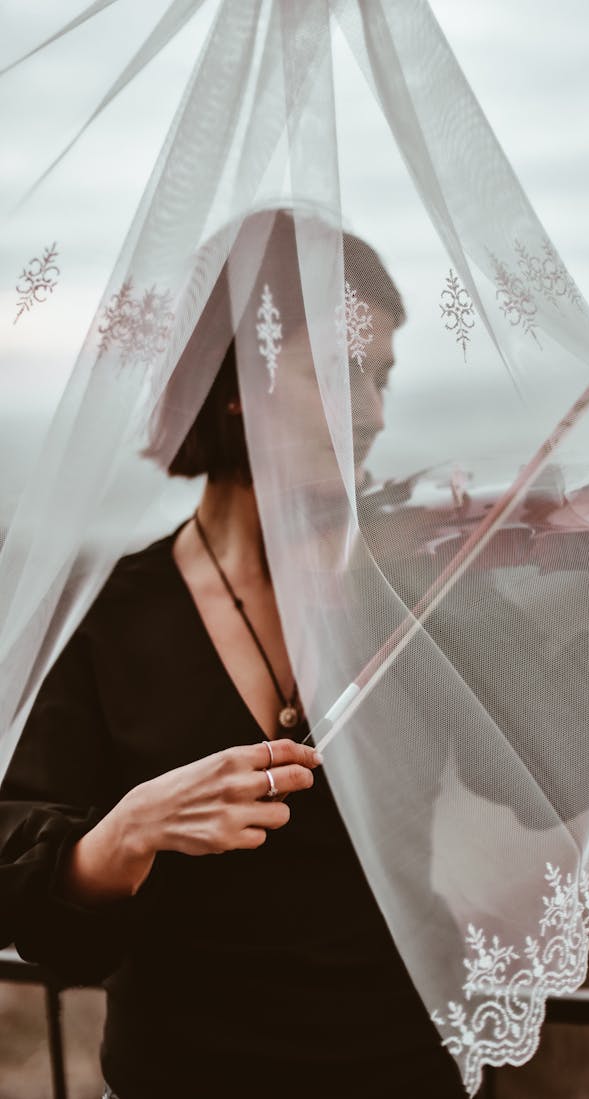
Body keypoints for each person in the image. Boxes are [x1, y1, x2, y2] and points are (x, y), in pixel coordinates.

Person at [0, 210, 483, 1099]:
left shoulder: (409, 585)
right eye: (340, 375)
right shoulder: (103, 618)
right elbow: (25, 878)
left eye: (381, 380)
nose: (373, 415)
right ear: (237, 384)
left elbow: (527, 770)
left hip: (404, 1073)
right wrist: (129, 829)